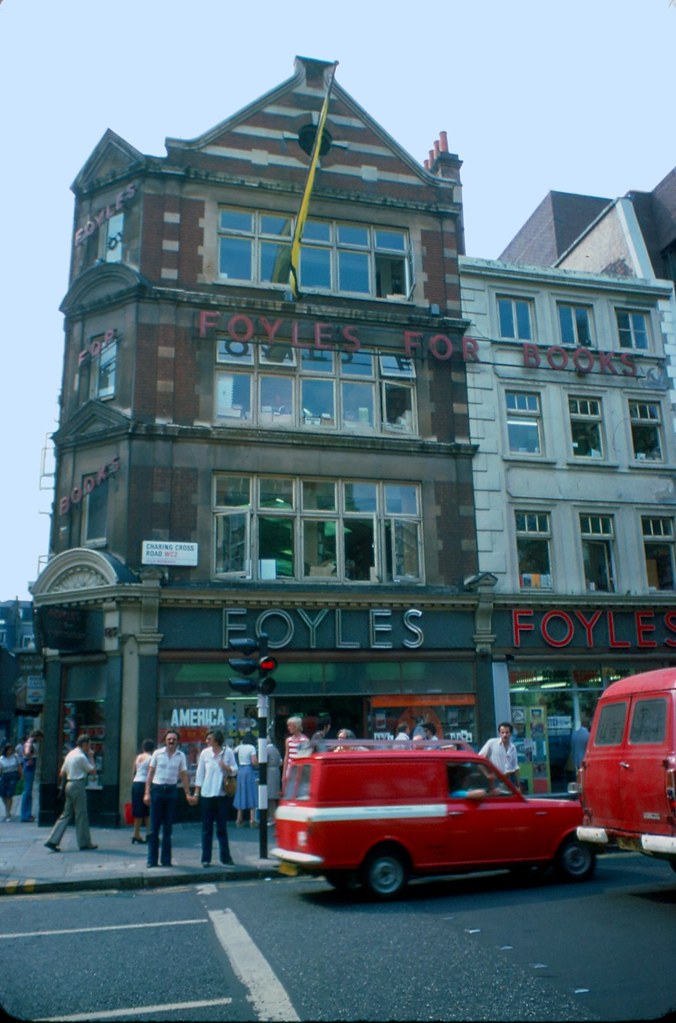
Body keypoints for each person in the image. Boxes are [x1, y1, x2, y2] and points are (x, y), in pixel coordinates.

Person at [143, 729, 191, 868]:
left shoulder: (181, 756)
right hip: (157, 790)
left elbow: (183, 775)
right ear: (165, 740)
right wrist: (147, 792)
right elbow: (150, 773)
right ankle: (152, 860)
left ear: (177, 741)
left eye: (174, 739)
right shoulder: (157, 754)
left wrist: (187, 793)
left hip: (171, 791)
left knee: (168, 828)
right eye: (169, 739)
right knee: (154, 828)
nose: (171, 741)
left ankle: (166, 860)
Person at [189, 729, 236, 866]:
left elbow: (235, 770)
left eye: (209, 739)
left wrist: (226, 767)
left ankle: (225, 857)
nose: (206, 741)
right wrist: (196, 793)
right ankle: (206, 859)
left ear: (216, 740)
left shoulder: (228, 752)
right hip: (207, 794)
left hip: (221, 794)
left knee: (222, 828)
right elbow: (200, 774)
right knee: (207, 828)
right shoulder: (205, 753)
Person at [44, 735, 98, 851]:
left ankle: (53, 839)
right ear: (84, 744)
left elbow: (61, 773)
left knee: (66, 814)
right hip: (78, 784)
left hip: (69, 784)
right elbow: (93, 771)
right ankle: (84, 842)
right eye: (89, 744)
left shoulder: (70, 754)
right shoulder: (81, 757)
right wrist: (91, 757)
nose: (89, 747)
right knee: (81, 814)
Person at [479, 722, 520, 786]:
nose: (504, 735)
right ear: (499, 733)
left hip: (508, 780)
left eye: (507, 732)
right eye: (502, 732)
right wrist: (487, 775)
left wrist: (518, 785)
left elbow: (515, 767)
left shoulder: (513, 748)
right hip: (494, 780)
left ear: (510, 733)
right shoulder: (491, 743)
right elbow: (479, 760)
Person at [130, 739, 155, 844]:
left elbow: (134, 771)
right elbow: (151, 772)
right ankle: (149, 833)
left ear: (143, 747)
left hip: (136, 783)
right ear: (153, 748)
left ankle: (136, 833)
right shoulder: (151, 758)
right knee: (147, 810)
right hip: (145, 784)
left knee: (138, 810)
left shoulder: (138, 757)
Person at [233, 732, 258, 828]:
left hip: (241, 771)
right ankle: (252, 820)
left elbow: (233, 755)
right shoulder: (251, 748)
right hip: (249, 770)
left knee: (241, 793)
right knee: (251, 793)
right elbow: (254, 761)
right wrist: (259, 765)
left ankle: (238, 819)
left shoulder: (239, 747)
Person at [19, 729, 43, 822]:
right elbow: (27, 751)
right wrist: (30, 759)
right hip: (30, 767)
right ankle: (25, 815)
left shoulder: (30, 742)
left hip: (29, 766)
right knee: (27, 790)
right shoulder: (30, 741)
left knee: (28, 791)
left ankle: (27, 814)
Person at [282, 716, 309, 786]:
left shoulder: (304, 740)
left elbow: (305, 758)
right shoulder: (288, 740)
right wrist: (284, 774)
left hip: (300, 770)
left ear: (296, 726)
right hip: (290, 769)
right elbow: (286, 757)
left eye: (290, 725)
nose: (288, 728)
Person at [0, 744, 23, 821]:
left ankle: (8, 812)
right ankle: (7, 807)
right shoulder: (1, 759)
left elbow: (19, 766)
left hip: (13, 775)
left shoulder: (15, 757)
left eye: (11, 749)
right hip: (5, 775)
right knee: (3, 794)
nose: (10, 751)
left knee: (9, 794)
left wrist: (21, 775)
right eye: (8, 749)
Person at [265, 736, 282, 822]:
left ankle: (272, 817)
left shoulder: (266, 750)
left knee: (269, 796)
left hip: (269, 773)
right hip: (276, 772)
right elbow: (281, 762)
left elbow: (263, 762)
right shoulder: (276, 749)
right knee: (273, 796)